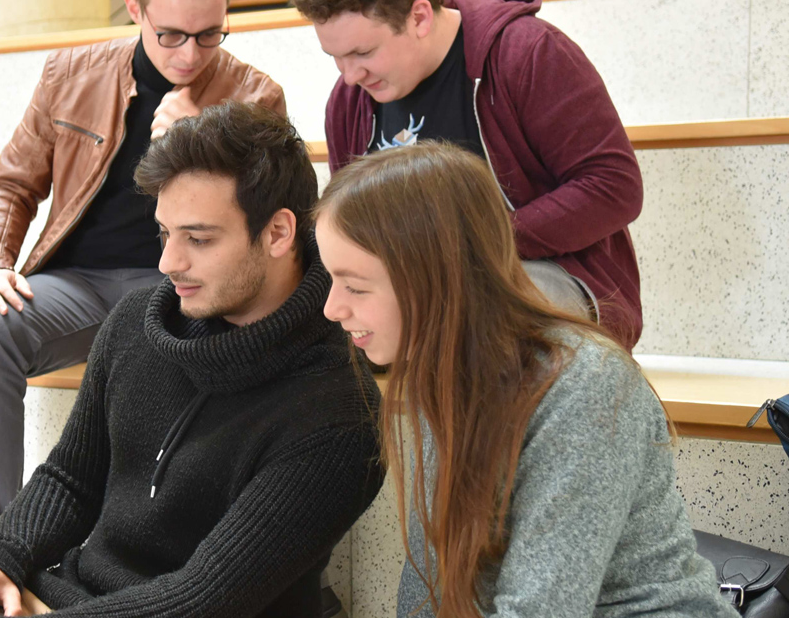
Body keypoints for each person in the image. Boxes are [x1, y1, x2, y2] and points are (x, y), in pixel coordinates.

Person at [0, 102, 382, 618]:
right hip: (64, 599)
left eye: (199, 239)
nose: (169, 264)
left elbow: (201, 600)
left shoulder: (336, 412)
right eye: (165, 235)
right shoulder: (138, 323)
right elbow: (70, 479)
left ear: (277, 233)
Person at [0, 0, 286, 546]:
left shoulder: (255, 97)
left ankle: (142, 559)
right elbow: (13, 183)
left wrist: (201, 144)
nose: (191, 54)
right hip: (77, 284)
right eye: (172, 35)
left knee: (179, 342)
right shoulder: (70, 74)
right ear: (134, 8)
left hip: (181, 286)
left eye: (210, 35)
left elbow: (265, 229)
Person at [313, 141, 738, 618]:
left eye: (355, 286)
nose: (332, 308)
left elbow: (541, 609)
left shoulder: (584, 385)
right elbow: (433, 589)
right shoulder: (444, 369)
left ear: (436, 278)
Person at [293, 0, 645, 350]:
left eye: (364, 52)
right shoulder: (348, 102)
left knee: (474, 320)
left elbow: (613, 186)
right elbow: (350, 226)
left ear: (420, 16)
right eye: (335, 57)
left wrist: (476, 247)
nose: (350, 76)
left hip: (537, 272)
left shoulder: (527, 53)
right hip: (411, 289)